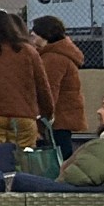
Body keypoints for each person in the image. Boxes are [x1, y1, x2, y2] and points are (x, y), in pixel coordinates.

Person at [0, 11, 55, 151]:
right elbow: (42, 86)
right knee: (23, 162)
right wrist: (45, 117)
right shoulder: (28, 51)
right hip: (23, 115)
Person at [33, 15, 88, 160]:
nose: (32, 36)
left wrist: (40, 121)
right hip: (65, 116)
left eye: (35, 33)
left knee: (57, 157)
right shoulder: (62, 54)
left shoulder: (53, 58)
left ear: (44, 35)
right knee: (64, 151)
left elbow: (48, 91)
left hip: (56, 119)